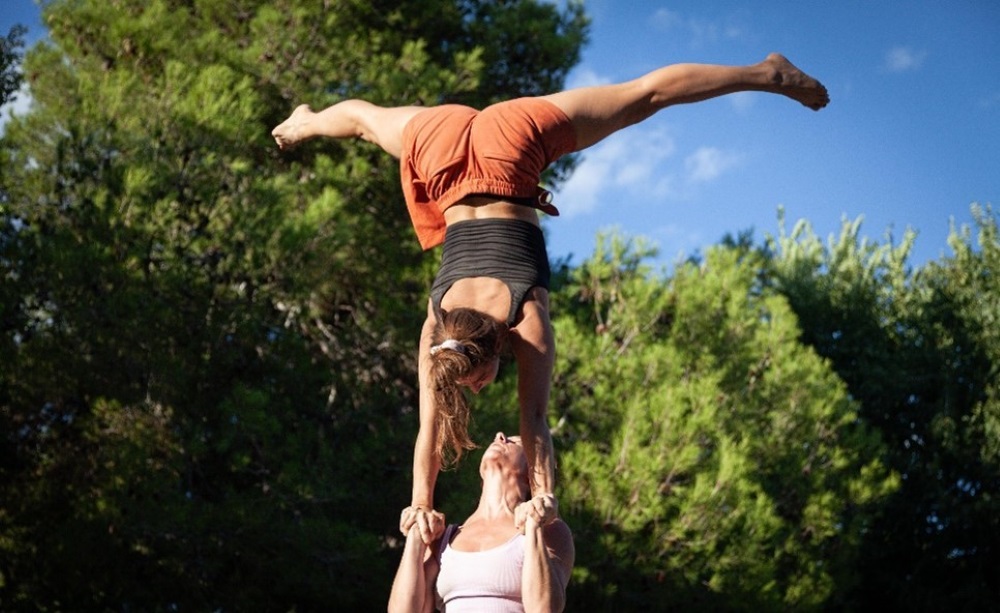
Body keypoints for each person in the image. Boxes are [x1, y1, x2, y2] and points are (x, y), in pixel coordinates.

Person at [272, 53, 830, 543]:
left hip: (512, 153)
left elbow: (533, 420)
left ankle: (766, 72)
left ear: (495, 352)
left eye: (476, 379)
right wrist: (419, 502)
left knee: (644, 98)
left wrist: (542, 495)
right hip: (440, 143)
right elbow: (434, 430)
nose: (478, 386)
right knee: (367, 123)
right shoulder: (437, 324)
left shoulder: (525, 318)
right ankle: (309, 122)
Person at [388, 432, 575, 612]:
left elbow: (544, 609)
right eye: (500, 437)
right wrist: (415, 535)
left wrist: (534, 525)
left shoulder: (551, 531)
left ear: (535, 473)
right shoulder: (444, 539)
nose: (500, 436)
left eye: (516, 442)